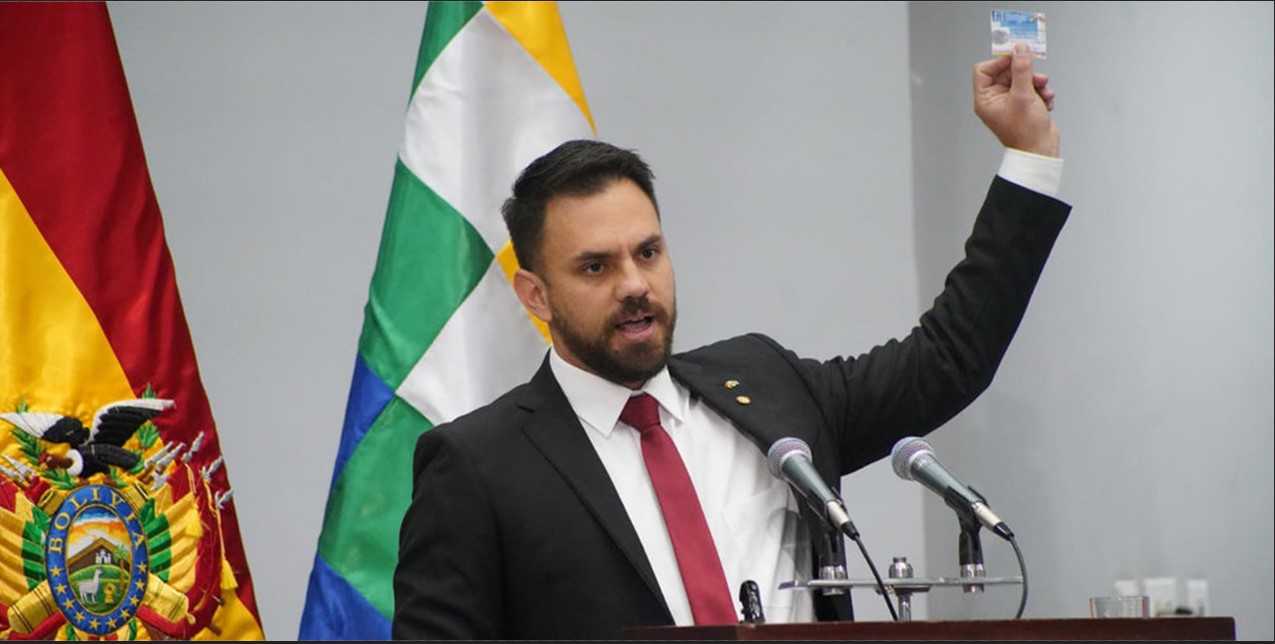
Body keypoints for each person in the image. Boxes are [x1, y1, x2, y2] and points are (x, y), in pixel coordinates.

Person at [392, 43, 1070, 640]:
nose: (634, 284)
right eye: (595, 267)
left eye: (648, 252)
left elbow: (946, 361)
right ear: (534, 294)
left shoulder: (768, 386)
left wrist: (1029, 158)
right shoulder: (478, 466)